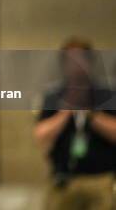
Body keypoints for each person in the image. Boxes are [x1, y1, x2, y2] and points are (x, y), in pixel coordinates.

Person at [34, 37, 116, 210]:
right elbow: (41, 135)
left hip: (100, 180)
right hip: (64, 179)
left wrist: (92, 115)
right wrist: (65, 112)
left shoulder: (106, 95)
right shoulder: (54, 96)